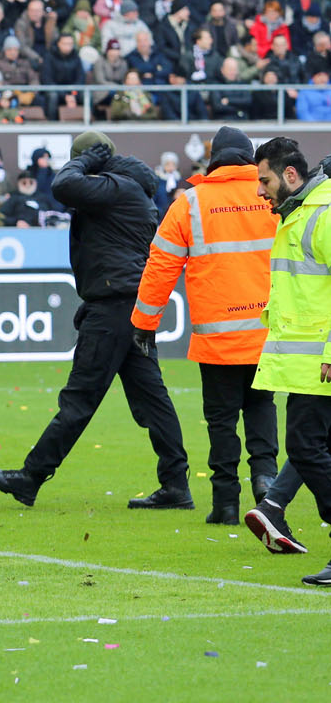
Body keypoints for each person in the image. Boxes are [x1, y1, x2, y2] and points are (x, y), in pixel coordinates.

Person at [0, 132, 192, 509]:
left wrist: (83, 161)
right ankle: (176, 485)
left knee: (80, 397)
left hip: (113, 307)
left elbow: (63, 184)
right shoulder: (130, 188)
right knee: (152, 399)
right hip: (128, 304)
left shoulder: (114, 187)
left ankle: (31, 476)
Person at [132, 127, 278, 526]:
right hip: (266, 333)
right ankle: (266, 482)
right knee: (262, 408)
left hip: (218, 339)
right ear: (250, 160)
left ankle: (226, 503)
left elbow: (161, 266)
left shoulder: (191, 204)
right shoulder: (271, 196)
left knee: (221, 420)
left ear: (214, 159)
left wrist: (144, 324)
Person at [249, 138, 331, 580]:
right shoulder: (301, 213)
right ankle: (275, 506)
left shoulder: (322, 213)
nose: (260, 191)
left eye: (264, 180)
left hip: (318, 360)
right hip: (307, 357)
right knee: (315, 446)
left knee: (304, 445)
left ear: (291, 175)